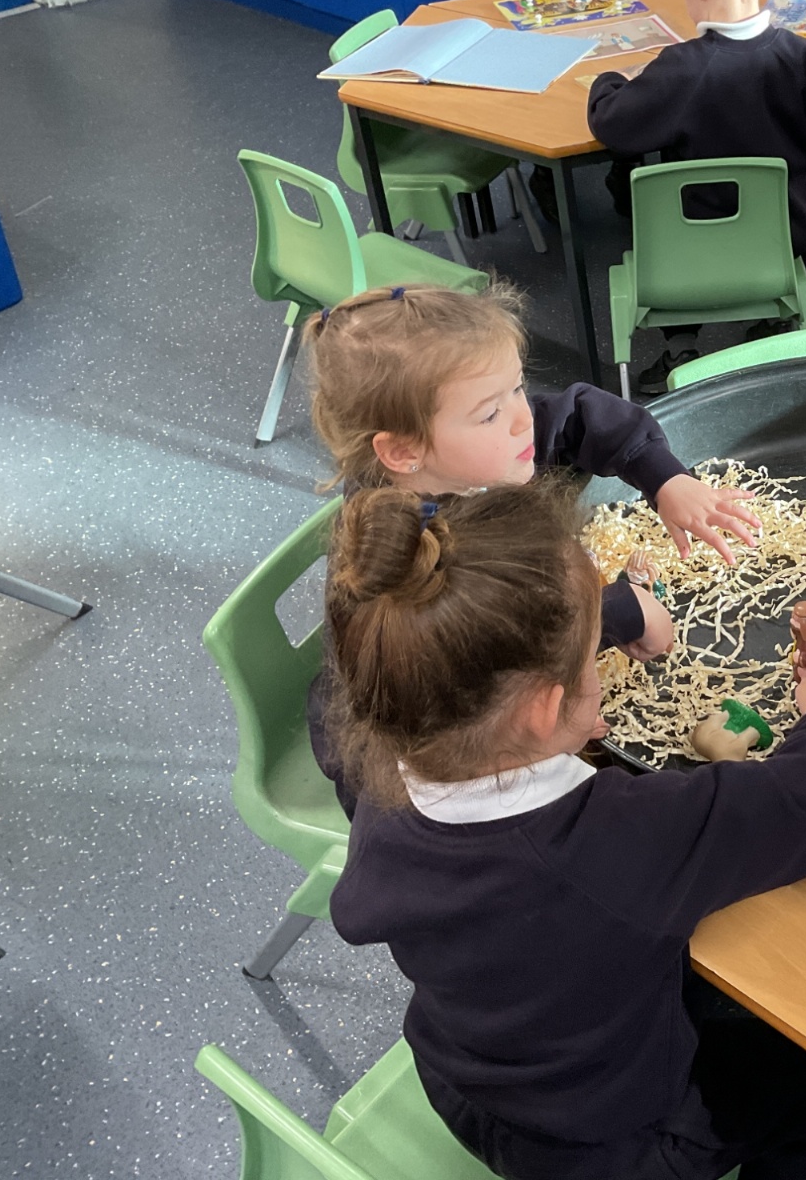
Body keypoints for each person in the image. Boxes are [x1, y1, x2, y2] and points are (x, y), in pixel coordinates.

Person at [324, 482, 806, 1180]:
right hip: (616, 1146)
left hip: (461, 1082)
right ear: (543, 708)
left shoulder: (383, 775)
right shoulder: (618, 838)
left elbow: (477, 662)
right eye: (590, 659)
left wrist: (610, 624)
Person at [304, 282, 761, 815]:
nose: (523, 418)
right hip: (422, 782)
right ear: (403, 451)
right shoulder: (424, 560)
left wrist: (665, 480)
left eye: (517, 387)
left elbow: (582, 416)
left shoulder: (467, 453)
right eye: (489, 413)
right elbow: (486, 657)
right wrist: (622, 612)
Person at [585, 0, 806, 392]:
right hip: (785, 242)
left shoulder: (680, 67)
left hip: (687, 255)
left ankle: (680, 347)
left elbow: (612, 125)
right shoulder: (800, 56)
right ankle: (776, 321)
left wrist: (608, 80)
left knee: (663, 206)